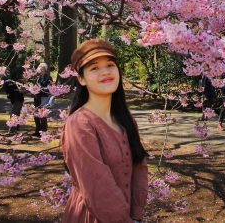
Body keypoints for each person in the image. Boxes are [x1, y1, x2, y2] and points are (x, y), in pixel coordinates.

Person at [61, 38, 148, 223]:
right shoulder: (80, 124)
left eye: (110, 64)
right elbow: (96, 183)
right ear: (82, 79)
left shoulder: (126, 120)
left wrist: (136, 214)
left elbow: (139, 167)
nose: (105, 72)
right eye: (94, 68)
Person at [33, 62, 51, 137]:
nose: (39, 68)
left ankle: (43, 131)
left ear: (44, 69)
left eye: (41, 67)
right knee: (36, 114)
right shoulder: (38, 77)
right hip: (37, 97)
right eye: (39, 67)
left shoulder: (48, 78)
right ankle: (37, 130)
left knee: (43, 114)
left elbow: (50, 88)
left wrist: (41, 88)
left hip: (44, 97)